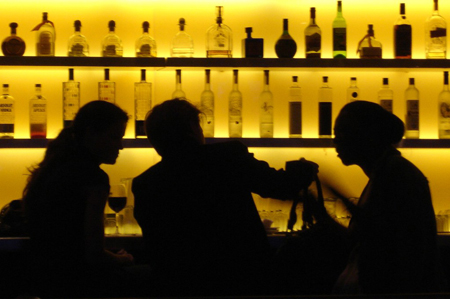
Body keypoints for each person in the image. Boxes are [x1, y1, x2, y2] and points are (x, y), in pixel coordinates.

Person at [132, 98, 318, 296]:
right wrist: (304, 172)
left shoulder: (145, 184)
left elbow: (156, 249)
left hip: (180, 285)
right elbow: (280, 186)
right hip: (243, 279)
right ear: (193, 127)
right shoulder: (228, 156)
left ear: (155, 141)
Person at [23, 101, 139, 297]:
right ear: (91, 133)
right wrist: (122, 259)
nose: (120, 146)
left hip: (45, 280)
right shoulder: (93, 178)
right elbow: (93, 255)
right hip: (81, 284)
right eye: (114, 137)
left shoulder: (53, 168)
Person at [328, 100, 445, 294]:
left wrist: (335, 195)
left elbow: (383, 241)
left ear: (366, 136)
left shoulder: (397, 175)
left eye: (342, 132)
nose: (335, 141)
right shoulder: (388, 172)